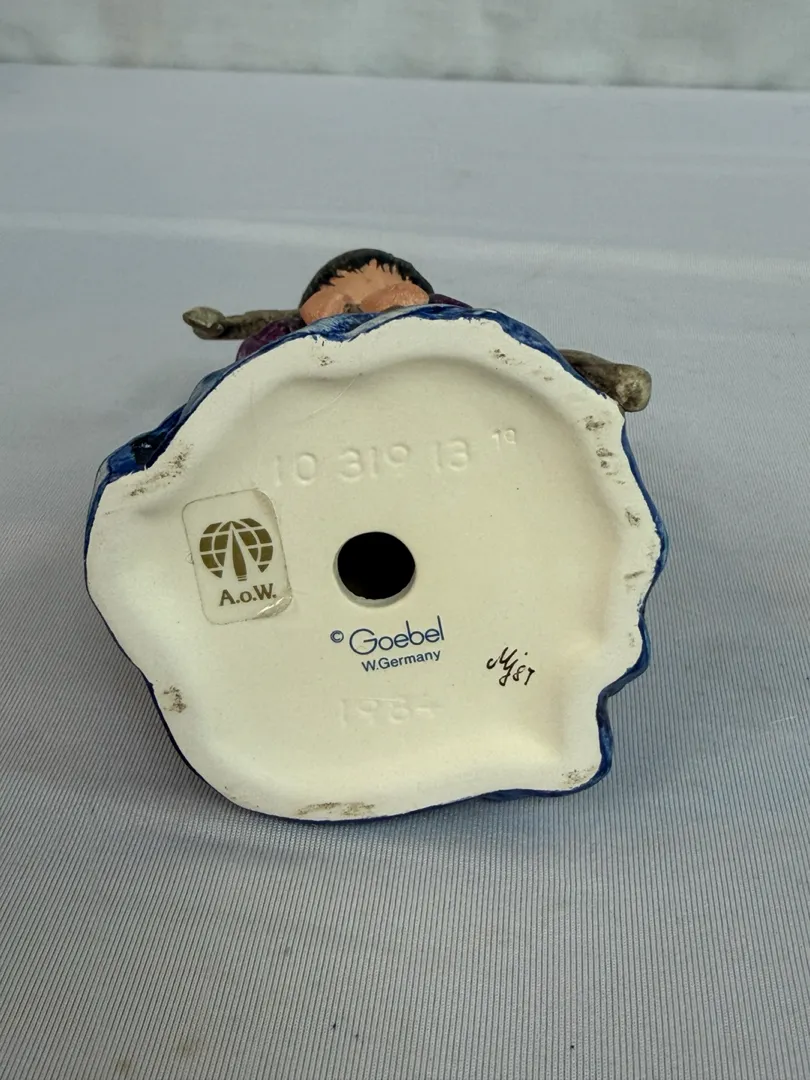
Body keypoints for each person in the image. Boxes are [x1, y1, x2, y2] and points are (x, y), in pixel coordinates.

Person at [183, 248, 650, 411]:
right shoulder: (290, 342)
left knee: (528, 357)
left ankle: (603, 379)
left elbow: (521, 348)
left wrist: (596, 374)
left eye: (386, 293)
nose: (361, 307)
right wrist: (224, 326)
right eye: (340, 300)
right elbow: (260, 333)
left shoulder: (448, 324)